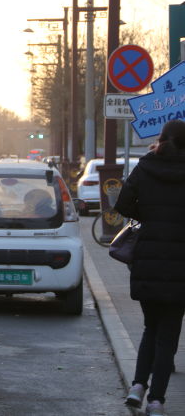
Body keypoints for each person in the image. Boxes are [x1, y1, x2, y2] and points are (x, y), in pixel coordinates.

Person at [115, 119, 185, 416]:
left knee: (149, 328)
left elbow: (123, 204)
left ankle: (137, 386)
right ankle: (156, 401)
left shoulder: (146, 165)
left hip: (147, 261)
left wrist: (149, 214)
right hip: (180, 267)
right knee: (167, 337)